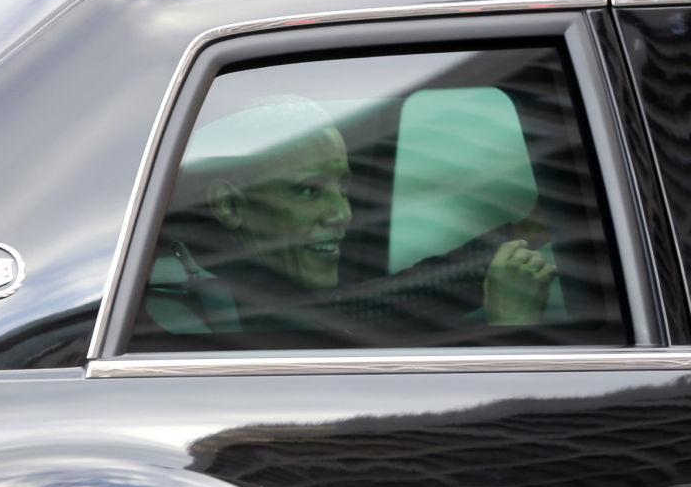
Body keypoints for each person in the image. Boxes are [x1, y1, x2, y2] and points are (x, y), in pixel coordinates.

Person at [158, 96, 556, 340]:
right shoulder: (210, 319)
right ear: (229, 205)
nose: (342, 215)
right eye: (308, 191)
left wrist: (514, 237)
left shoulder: (255, 293)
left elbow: (369, 309)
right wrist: (512, 325)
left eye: (343, 190)